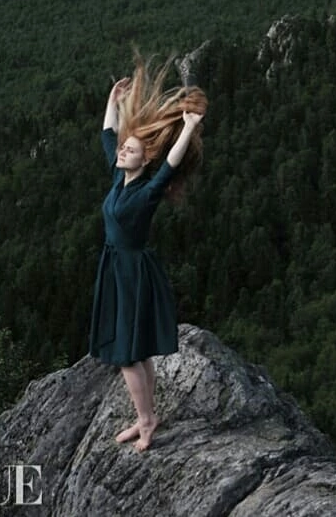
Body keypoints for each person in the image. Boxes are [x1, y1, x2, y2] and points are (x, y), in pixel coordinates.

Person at [89, 51, 207, 453]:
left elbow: (171, 164)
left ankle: (145, 420)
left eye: (131, 151)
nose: (123, 152)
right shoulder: (118, 178)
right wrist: (113, 101)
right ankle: (148, 415)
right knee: (136, 351)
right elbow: (108, 136)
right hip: (116, 267)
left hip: (133, 271)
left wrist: (188, 128)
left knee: (127, 356)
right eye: (125, 149)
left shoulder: (146, 190)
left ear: (145, 159)